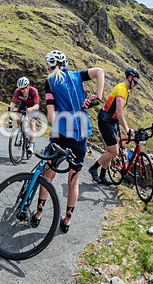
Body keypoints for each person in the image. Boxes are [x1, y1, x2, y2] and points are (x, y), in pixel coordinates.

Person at [33, 50, 104, 233]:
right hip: (81, 136)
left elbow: (50, 116)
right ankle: (67, 221)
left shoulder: (50, 82)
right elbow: (100, 71)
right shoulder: (77, 76)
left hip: (61, 134)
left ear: (50, 66)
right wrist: (98, 96)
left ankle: (38, 214)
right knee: (73, 182)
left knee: (48, 174)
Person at [89, 67, 141, 185]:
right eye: (136, 82)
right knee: (114, 152)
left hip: (111, 121)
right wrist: (127, 129)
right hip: (106, 121)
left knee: (110, 150)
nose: (136, 84)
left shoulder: (125, 90)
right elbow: (119, 111)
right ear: (130, 78)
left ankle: (102, 175)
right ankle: (93, 168)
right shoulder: (122, 90)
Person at [8, 76, 41, 157]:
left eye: (24, 88)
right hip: (24, 105)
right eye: (20, 89)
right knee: (18, 116)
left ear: (28, 86)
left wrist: (32, 108)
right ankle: (20, 129)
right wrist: (11, 108)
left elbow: (37, 105)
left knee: (32, 123)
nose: (22, 90)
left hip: (33, 107)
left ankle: (31, 146)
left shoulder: (33, 91)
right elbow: (13, 101)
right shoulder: (17, 91)